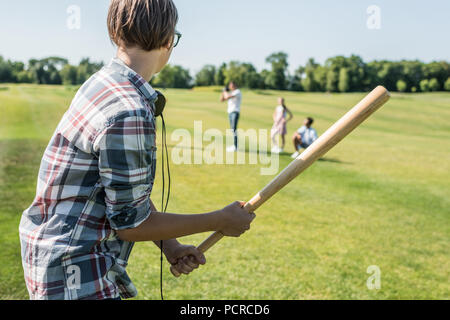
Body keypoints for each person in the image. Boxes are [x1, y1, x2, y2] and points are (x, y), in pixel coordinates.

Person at [19, 0, 255, 300]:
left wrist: (170, 245)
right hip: (74, 267)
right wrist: (219, 220)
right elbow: (131, 224)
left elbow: (120, 194)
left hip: (52, 258)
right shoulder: (129, 110)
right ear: (169, 39)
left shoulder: (103, 83)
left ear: (115, 32)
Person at [220, 81, 242, 152]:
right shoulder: (231, 93)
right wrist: (223, 92)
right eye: (230, 85)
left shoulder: (237, 92)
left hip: (235, 112)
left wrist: (225, 91)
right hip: (230, 112)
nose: (230, 87)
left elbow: (227, 96)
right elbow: (221, 100)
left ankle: (235, 147)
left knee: (234, 129)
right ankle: (234, 146)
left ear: (235, 85)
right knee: (232, 130)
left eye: (231, 85)